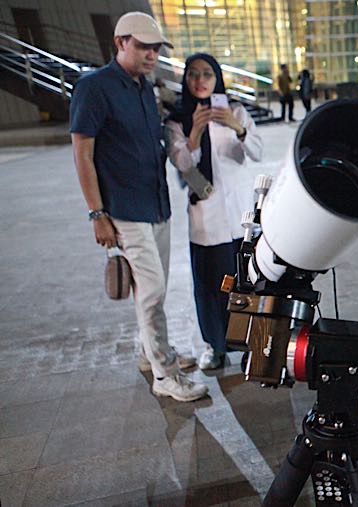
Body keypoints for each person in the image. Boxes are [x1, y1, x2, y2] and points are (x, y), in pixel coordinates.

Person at [70, 11, 207, 402]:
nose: (151, 54)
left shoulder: (145, 88)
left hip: (156, 204)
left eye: (156, 48)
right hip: (124, 209)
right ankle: (165, 374)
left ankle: (150, 351)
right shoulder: (94, 88)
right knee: (153, 292)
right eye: (143, 46)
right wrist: (97, 214)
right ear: (120, 43)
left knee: (151, 290)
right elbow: (82, 154)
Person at [165, 53, 263, 369]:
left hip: (240, 218)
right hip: (206, 222)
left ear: (217, 77)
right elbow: (182, 165)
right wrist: (194, 133)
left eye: (207, 73)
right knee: (210, 287)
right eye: (193, 74)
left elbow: (257, 152)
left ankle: (249, 342)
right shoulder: (176, 121)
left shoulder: (234, 110)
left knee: (245, 283)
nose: (201, 80)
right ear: (186, 80)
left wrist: (237, 127)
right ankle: (215, 346)